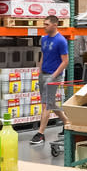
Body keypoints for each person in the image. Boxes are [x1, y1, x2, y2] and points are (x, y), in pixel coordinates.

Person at [30, 16, 69, 145]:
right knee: (50, 103)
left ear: (54, 25)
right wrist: (40, 70)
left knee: (46, 104)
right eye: (44, 24)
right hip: (44, 74)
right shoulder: (44, 39)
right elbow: (43, 55)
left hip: (54, 76)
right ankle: (68, 122)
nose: (44, 26)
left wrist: (54, 76)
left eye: (46, 24)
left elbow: (65, 61)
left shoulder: (61, 41)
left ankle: (40, 133)